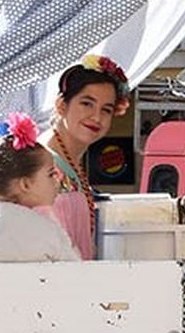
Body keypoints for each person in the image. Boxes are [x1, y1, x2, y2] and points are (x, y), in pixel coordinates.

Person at [42, 55, 130, 260]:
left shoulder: (72, 165)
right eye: (87, 104)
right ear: (62, 105)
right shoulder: (40, 162)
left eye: (106, 110)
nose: (96, 117)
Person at [0, 114, 80, 263]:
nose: (57, 180)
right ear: (26, 184)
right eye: (51, 174)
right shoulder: (46, 232)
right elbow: (76, 273)